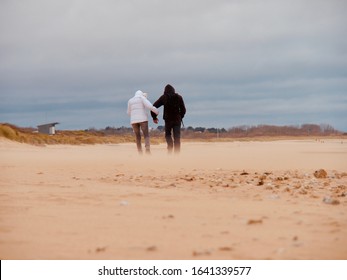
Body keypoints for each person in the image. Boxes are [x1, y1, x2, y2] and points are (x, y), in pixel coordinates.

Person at [151, 84, 186, 153]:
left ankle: (170, 148)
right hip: (177, 120)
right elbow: (183, 109)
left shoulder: (164, 97)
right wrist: (180, 116)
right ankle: (177, 154)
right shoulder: (179, 97)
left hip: (168, 120)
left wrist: (154, 117)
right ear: (173, 90)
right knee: (177, 137)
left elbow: (153, 107)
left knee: (168, 135)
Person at [127, 90, 159, 154]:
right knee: (146, 135)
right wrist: (157, 112)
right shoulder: (142, 98)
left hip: (134, 121)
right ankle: (147, 150)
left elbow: (128, 112)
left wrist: (133, 116)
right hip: (143, 120)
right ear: (141, 94)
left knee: (137, 136)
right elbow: (150, 106)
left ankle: (140, 152)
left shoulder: (130, 100)